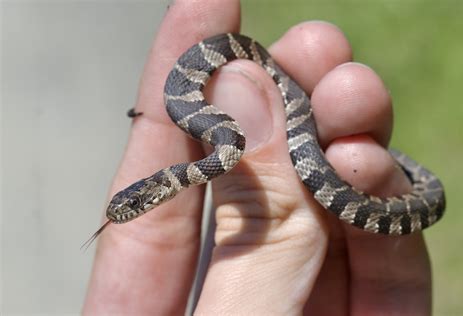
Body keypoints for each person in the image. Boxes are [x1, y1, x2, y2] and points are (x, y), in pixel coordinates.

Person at [83, 1, 431, 314]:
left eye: (133, 206)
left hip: (261, 92)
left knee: (352, 137)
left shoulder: (217, 146)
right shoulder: (203, 157)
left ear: (151, 195)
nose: (128, 211)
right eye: (132, 207)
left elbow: (230, 141)